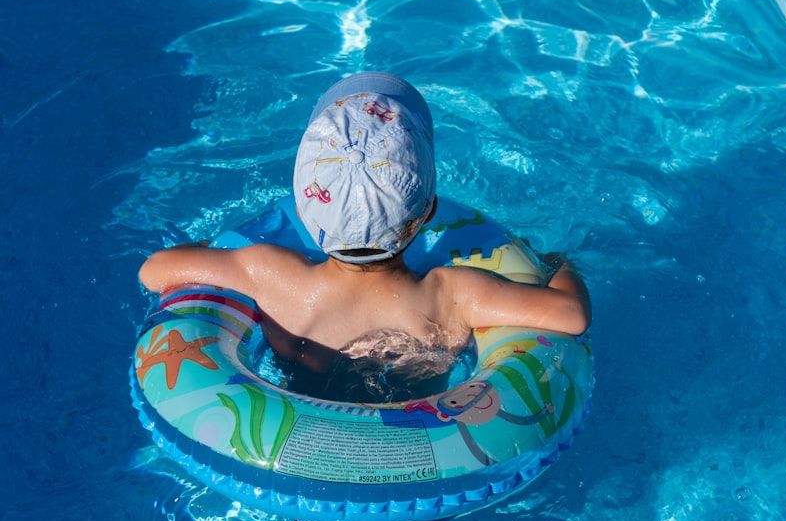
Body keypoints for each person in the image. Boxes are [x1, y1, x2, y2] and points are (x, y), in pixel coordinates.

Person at [139, 72, 590, 397]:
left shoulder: (268, 272)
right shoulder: (452, 296)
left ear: (301, 209)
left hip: (299, 457)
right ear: (428, 211)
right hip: (420, 464)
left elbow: (155, 270)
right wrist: (555, 263)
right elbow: (571, 315)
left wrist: (207, 246)